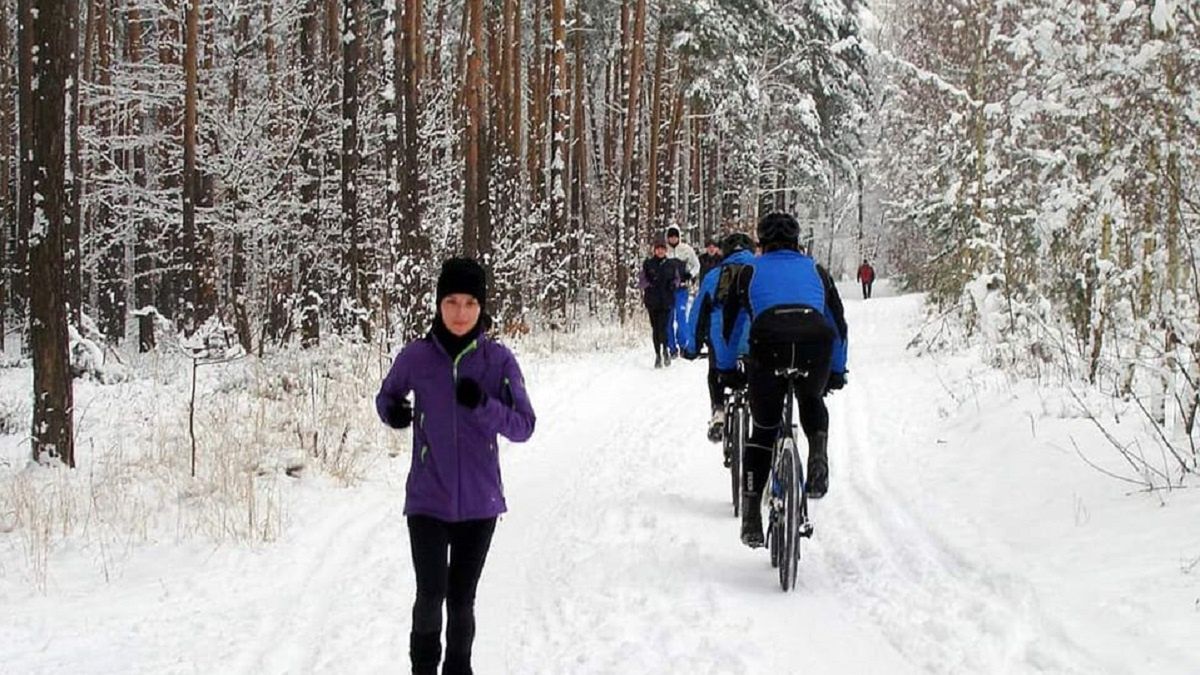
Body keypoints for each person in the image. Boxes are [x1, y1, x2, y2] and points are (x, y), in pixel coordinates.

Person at [376, 257, 537, 675]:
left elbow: (524, 426)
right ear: (438, 304)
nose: (460, 313)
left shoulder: (498, 361)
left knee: (461, 601)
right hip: (428, 499)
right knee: (430, 595)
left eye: (469, 303)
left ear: (481, 306)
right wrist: (393, 411)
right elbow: (387, 396)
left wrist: (483, 406)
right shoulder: (416, 357)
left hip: (480, 505)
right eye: (451, 302)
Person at [725, 213, 848, 548]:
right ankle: (818, 454)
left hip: (768, 350)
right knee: (811, 399)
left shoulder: (749, 271)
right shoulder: (816, 271)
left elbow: (732, 324)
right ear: (797, 242)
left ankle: (751, 516)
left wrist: (725, 368)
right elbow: (838, 324)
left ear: (761, 243)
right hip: (815, 348)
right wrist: (837, 370)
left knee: (763, 429)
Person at [682, 232, 755, 448]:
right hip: (756, 341)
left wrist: (692, 348)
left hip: (723, 341)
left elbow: (697, 315)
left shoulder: (713, 276)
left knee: (715, 369)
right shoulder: (762, 272)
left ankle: (719, 411)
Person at [641, 238, 679, 368]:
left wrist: (673, 285)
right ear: (654, 250)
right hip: (652, 301)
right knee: (655, 329)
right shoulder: (648, 264)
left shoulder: (671, 264)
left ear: (666, 250)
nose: (660, 251)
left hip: (666, 300)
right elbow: (642, 281)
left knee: (664, 327)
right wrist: (649, 285)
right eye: (658, 249)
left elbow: (676, 279)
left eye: (662, 249)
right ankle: (657, 354)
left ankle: (665, 350)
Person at [664, 225, 700, 357]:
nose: (673, 239)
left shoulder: (686, 250)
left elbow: (696, 265)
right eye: (670, 237)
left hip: (682, 289)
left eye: (675, 236)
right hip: (667, 290)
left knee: (681, 315)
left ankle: (683, 344)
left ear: (679, 237)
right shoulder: (664, 250)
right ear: (667, 238)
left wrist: (690, 274)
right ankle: (672, 348)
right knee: (668, 318)